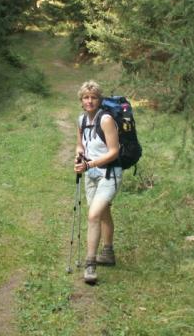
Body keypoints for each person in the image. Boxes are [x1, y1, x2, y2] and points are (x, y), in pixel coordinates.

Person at [74, 80, 122, 284]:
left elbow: (114, 152)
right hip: (91, 174)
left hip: (109, 174)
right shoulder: (81, 120)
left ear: (99, 99)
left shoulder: (106, 120)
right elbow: (80, 146)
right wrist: (79, 156)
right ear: (81, 100)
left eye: (93, 97)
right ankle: (108, 253)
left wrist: (90, 164)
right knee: (102, 213)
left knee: (93, 215)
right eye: (86, 97)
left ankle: (90, 264)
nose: (89, 101)